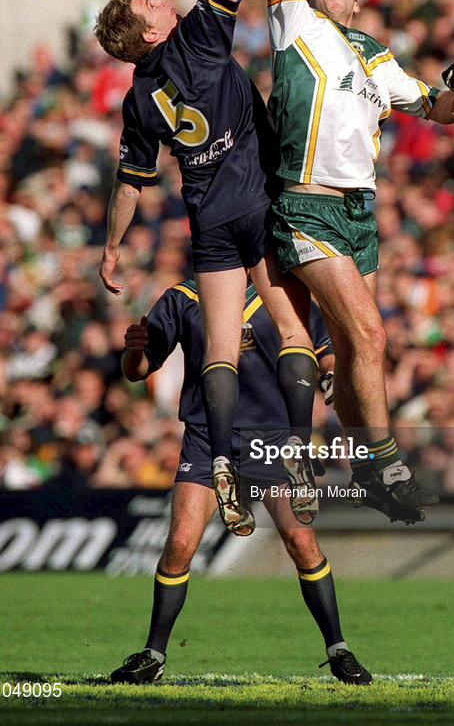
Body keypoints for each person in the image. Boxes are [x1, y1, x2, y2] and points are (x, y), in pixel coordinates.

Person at [95, 0, 319, 536]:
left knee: (218, 348)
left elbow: (131, 182)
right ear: (154, 34)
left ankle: (220, 463)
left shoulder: (137, 99)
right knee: (289, 326)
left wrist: (110, 247)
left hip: (207, 219)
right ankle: (299, 453)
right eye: (149, 7)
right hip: (257, 199)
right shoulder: (194, 39)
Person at [262, 0, 454, 522]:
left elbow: (440, 111)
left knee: (358, 357)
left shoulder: (374, 54)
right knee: (370, 337)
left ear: (355, 0)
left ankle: (364, 470)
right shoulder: (296, 24)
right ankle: (387, 469)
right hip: (305, 205)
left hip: (358, 212)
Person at [109, 278, 372, 687]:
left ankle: (339, 649)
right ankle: (154, 654)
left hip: (272, 439)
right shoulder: (183, 298)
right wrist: (134, 349)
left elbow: (324, 356)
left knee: (302, 543)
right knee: (179, 545)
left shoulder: (284, 293)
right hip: (206, 439)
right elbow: (136, 371)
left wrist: (335, 387)